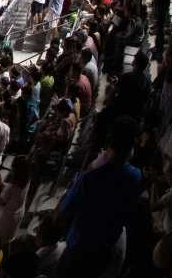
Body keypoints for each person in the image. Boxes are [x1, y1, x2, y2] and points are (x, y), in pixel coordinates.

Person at [56, 119, 143, 278]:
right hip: (105, 248)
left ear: (109, 145)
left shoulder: (91, 178)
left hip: (80, 246)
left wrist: (84, 173)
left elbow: (66, 209)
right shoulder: (135, 176)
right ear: (132, 147)